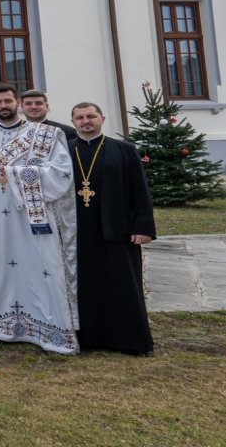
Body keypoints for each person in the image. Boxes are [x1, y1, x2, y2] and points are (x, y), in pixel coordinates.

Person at [0, 84, 77, 354]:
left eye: (8, 101)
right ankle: (0, 327)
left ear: (18, 103)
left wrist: (17, 174)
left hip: (33, 215)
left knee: (43, 266)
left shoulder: (45, 134)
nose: (3, 106)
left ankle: (49, 328)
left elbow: (62, 173)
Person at [68, 102, 156, 355]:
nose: (86, 121)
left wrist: (143, 227)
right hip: (77, 230)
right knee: (85, 285)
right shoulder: (64, 150)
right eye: (80, 117)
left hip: (117, 227)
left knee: (122, 283)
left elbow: (140, 190)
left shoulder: (124, 150)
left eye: (91, 116)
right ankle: (88, 338)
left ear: (102, 119)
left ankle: (129, 340)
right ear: (73, 122)